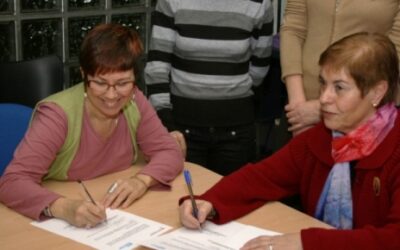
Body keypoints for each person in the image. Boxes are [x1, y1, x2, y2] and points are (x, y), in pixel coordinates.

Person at [179, 32, 400, 249]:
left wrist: (306, 243)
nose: (323, 98)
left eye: (339, 88)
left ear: (377, 92)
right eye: (323, 83)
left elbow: (393, 239)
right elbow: (263, 177)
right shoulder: (322, 137)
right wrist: (211, 202)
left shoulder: (394, 148)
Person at [0, 23, 184, 228]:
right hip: (56, 220)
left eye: (123, 83)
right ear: (83, 75)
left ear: (135, 80)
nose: (112, 95)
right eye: (100, 83)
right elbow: (12, 182)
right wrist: (63, 208)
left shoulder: (134, 101)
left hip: (121, 215)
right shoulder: (57, 115)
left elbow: (168, 150)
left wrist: (141, 181)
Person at [144, 0, 274, 175]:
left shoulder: (259, 3)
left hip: (237, 132)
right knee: (181, 199)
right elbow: (157, 65)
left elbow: (260, 67)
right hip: (181, 130)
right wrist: (166, 123)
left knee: (231, 198)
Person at [280, 0, 400, 137]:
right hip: (299, 102)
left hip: (363, 114)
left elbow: (394, 53)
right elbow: (293, 29)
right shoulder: (299, 108)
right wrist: (297, 106)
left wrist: (320, 109)